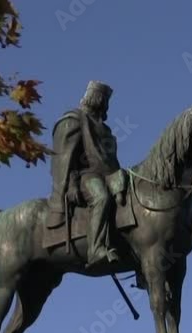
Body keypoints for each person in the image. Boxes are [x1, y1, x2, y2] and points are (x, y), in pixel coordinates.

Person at [47, 80, 123, 266]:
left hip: (109, 176)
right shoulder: (74, 119)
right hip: (86, 176)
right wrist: (71, 184)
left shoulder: (105, 129)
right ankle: (95, 249)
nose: (105, 104)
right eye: (103, 99)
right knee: (101, 198)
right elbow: (64, 157)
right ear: (95, 99)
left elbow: (110, 160)